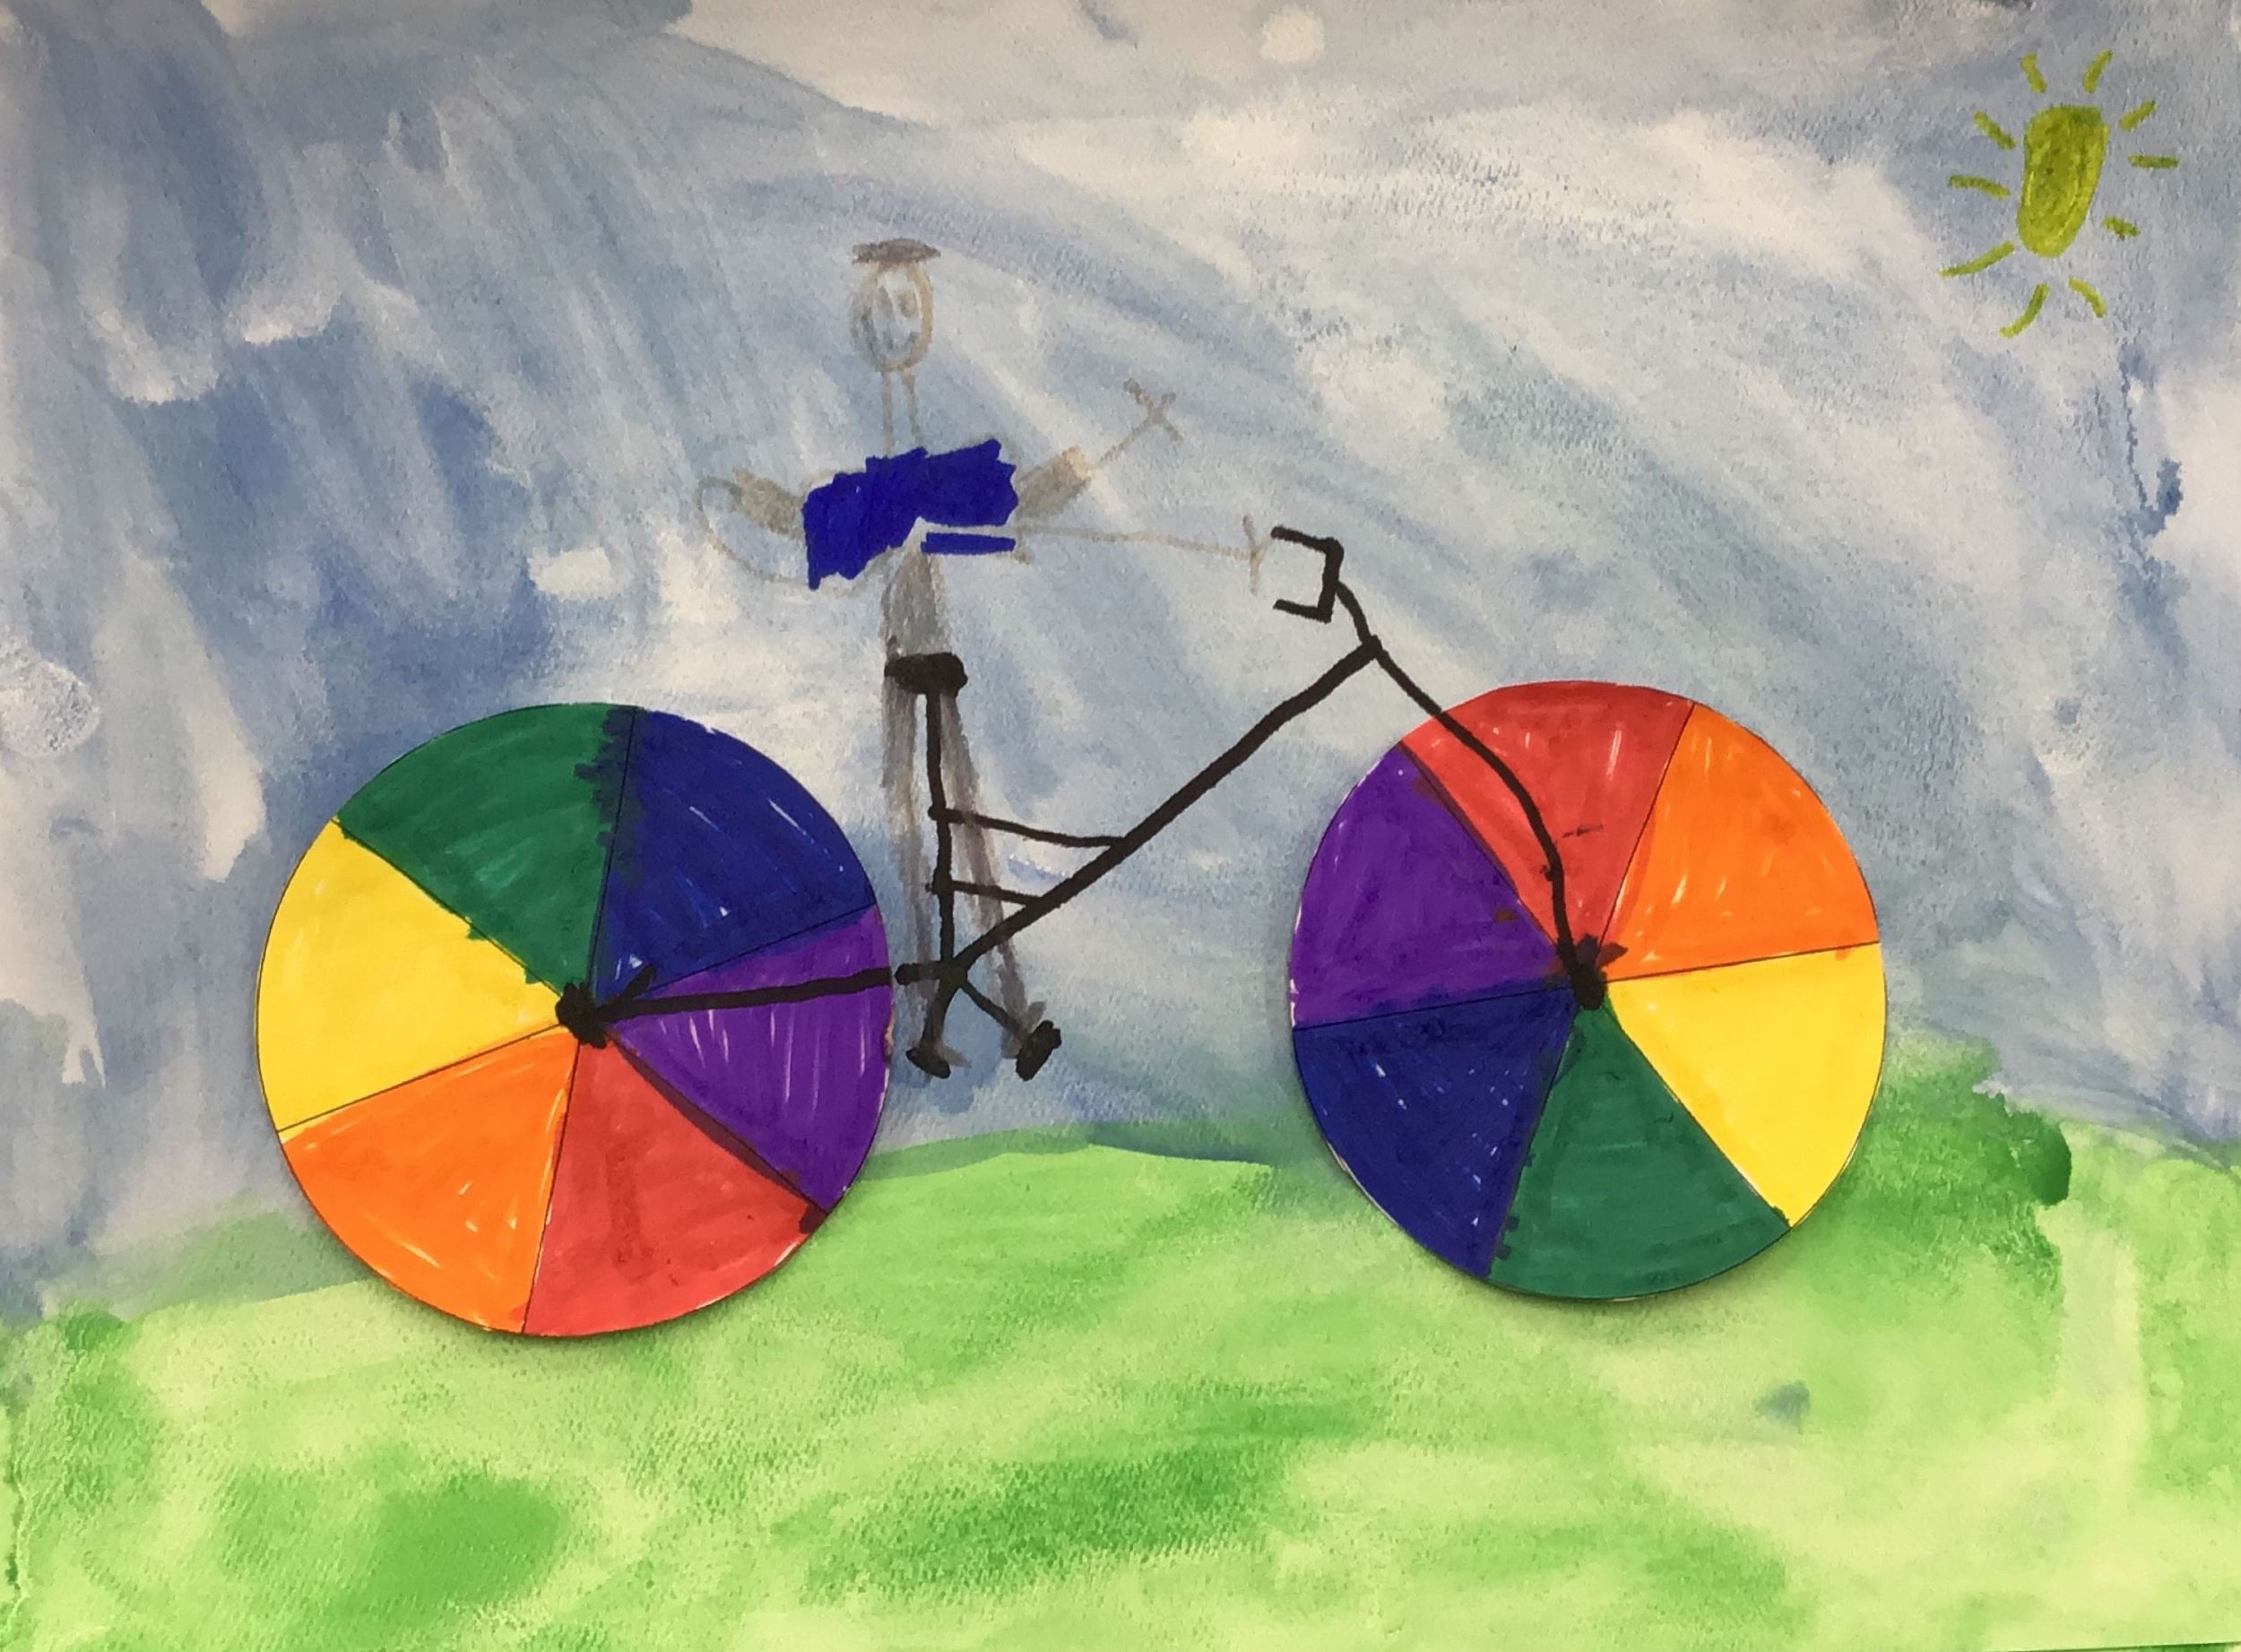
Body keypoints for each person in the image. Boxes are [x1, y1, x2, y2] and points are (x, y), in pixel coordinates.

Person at [697, 238, 1197, 1075]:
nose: (894, 325)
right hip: (905, 667)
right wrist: (762, 504)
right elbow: (822, 522)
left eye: (906, 307)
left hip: (933, 665)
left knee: (960, 819)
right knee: (909, 820)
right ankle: (929, 1002)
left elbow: (1004, 506)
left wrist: (1071, 472)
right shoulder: (886, 487)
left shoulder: (927, 481)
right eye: (881, 309)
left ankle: (1005, 996)